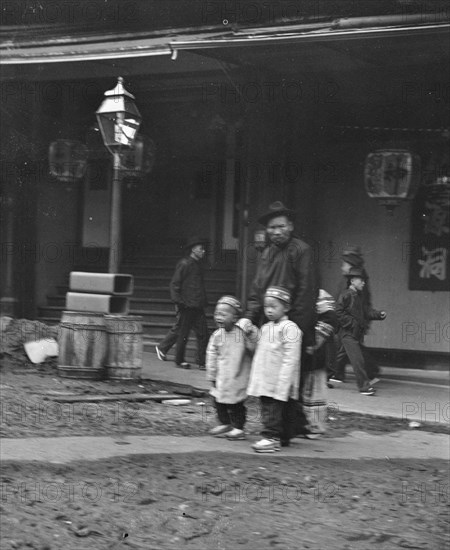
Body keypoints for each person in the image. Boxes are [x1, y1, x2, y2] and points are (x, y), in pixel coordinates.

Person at [241, 200, 318, 435]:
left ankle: (283, 429)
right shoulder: (266, 254)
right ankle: (292, 426)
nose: (276, 232)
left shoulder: (301, 250)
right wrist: (250, 317)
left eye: (280, 226)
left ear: (290, 226)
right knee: (272, 377)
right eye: (271, 228)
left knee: (289, 377)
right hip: (269, 326)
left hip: (293, 327)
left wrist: (299, 331)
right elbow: (258, 289)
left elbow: (307, 292)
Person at [247, 286, 302, 453]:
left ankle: (271, 437)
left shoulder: (290, 328)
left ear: (286, 307)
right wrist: (251, 334)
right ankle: (281, 437)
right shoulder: (266, 327)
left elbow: (291, 357)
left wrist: (284, 381)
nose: (269, 310)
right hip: (266, 377)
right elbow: (260, 348)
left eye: (273, 306)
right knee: (270, 408)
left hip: (279, 379)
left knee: (273, 409)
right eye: (266, 307)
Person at [206, 296, 257, 441]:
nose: (218, 317)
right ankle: (225, 423)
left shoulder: (242, 333)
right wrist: (212, 374)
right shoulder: (216, 335)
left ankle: (239, 428)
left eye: (223, 314)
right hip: (221, 377)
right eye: (217, 314)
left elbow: (254, 345)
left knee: (236, 405)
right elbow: (211, 355)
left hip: (238, 376)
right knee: (218, 401)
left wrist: (250, 329)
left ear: (235, 317)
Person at [328, 246, 379, 384]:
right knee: (344, 345)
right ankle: (338, 374)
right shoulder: (349, 278)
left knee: (352, 347)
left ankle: (371, 372)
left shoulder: (356, 279)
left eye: (344, 264)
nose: (342, 267)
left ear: (351, 265)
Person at [156, 236, 209, 369]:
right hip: (187, 305)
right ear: (193, 250)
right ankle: (179, 360)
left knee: (203, 333)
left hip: (197, 305)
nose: (204, 251)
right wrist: (179, 302)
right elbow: (175, 284)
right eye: (201, 249)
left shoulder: (197, 265)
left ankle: (202, 362)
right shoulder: (185, 264)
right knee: (183, 333)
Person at [335, 267, 386, 395]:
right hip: (348, 333)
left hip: (354, 333)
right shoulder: (346, 294)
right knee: (358, 360)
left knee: (340, 356)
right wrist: (351, 323)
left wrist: (379, 314)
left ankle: (329, 376)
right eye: (361, 280)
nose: (363, 283)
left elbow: (366, 312)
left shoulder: (358, 297)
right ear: (352, 281)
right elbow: (338, 312)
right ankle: (364, 387)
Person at [304, 289, 337, 437]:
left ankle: (315, 425)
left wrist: (313, 341)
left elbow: (329, 315)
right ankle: (304, 423)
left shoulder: (318, 293)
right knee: (305, 391)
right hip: (302, 352)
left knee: (314, 390)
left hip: (314, 353)